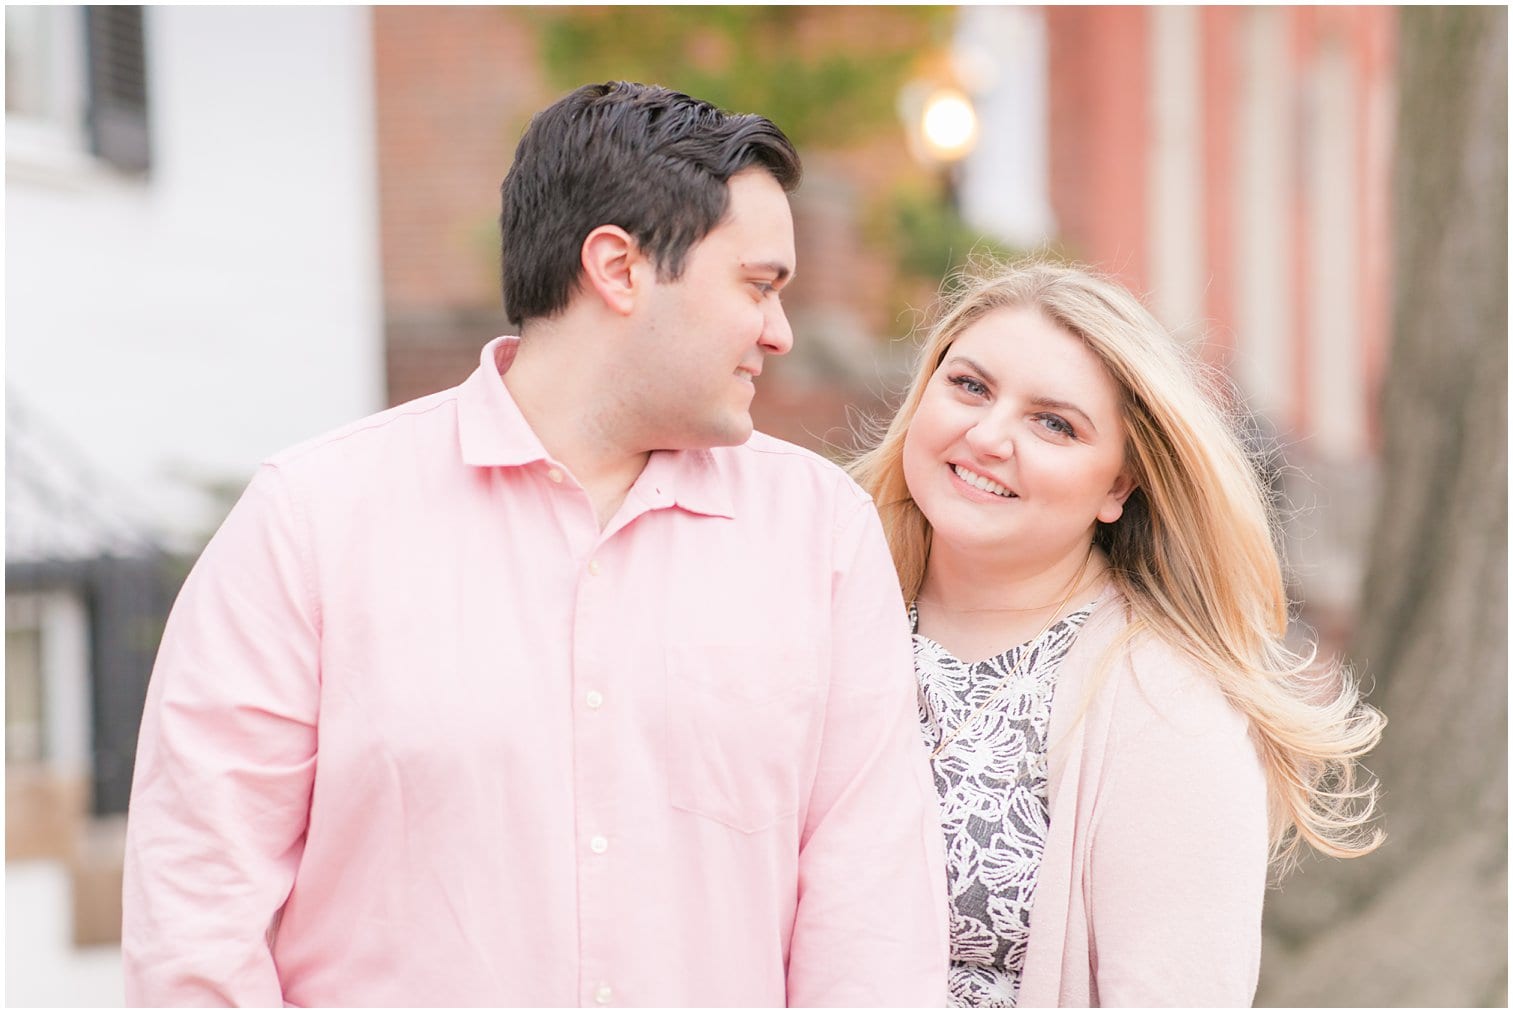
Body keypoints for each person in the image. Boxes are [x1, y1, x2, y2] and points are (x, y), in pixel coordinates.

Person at [123, 81, 949, 1007]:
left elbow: (872, 924)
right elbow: (197, 917)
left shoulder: (820, 535)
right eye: (757, 286)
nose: (781, 332)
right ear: (618, 268)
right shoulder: (311, 520)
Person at [851, 259, 1384, 1007]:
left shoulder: (1163, 703)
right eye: (969, 385)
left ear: (1116, 486)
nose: (988, 433)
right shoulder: (825, 615)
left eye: (1053, 423)